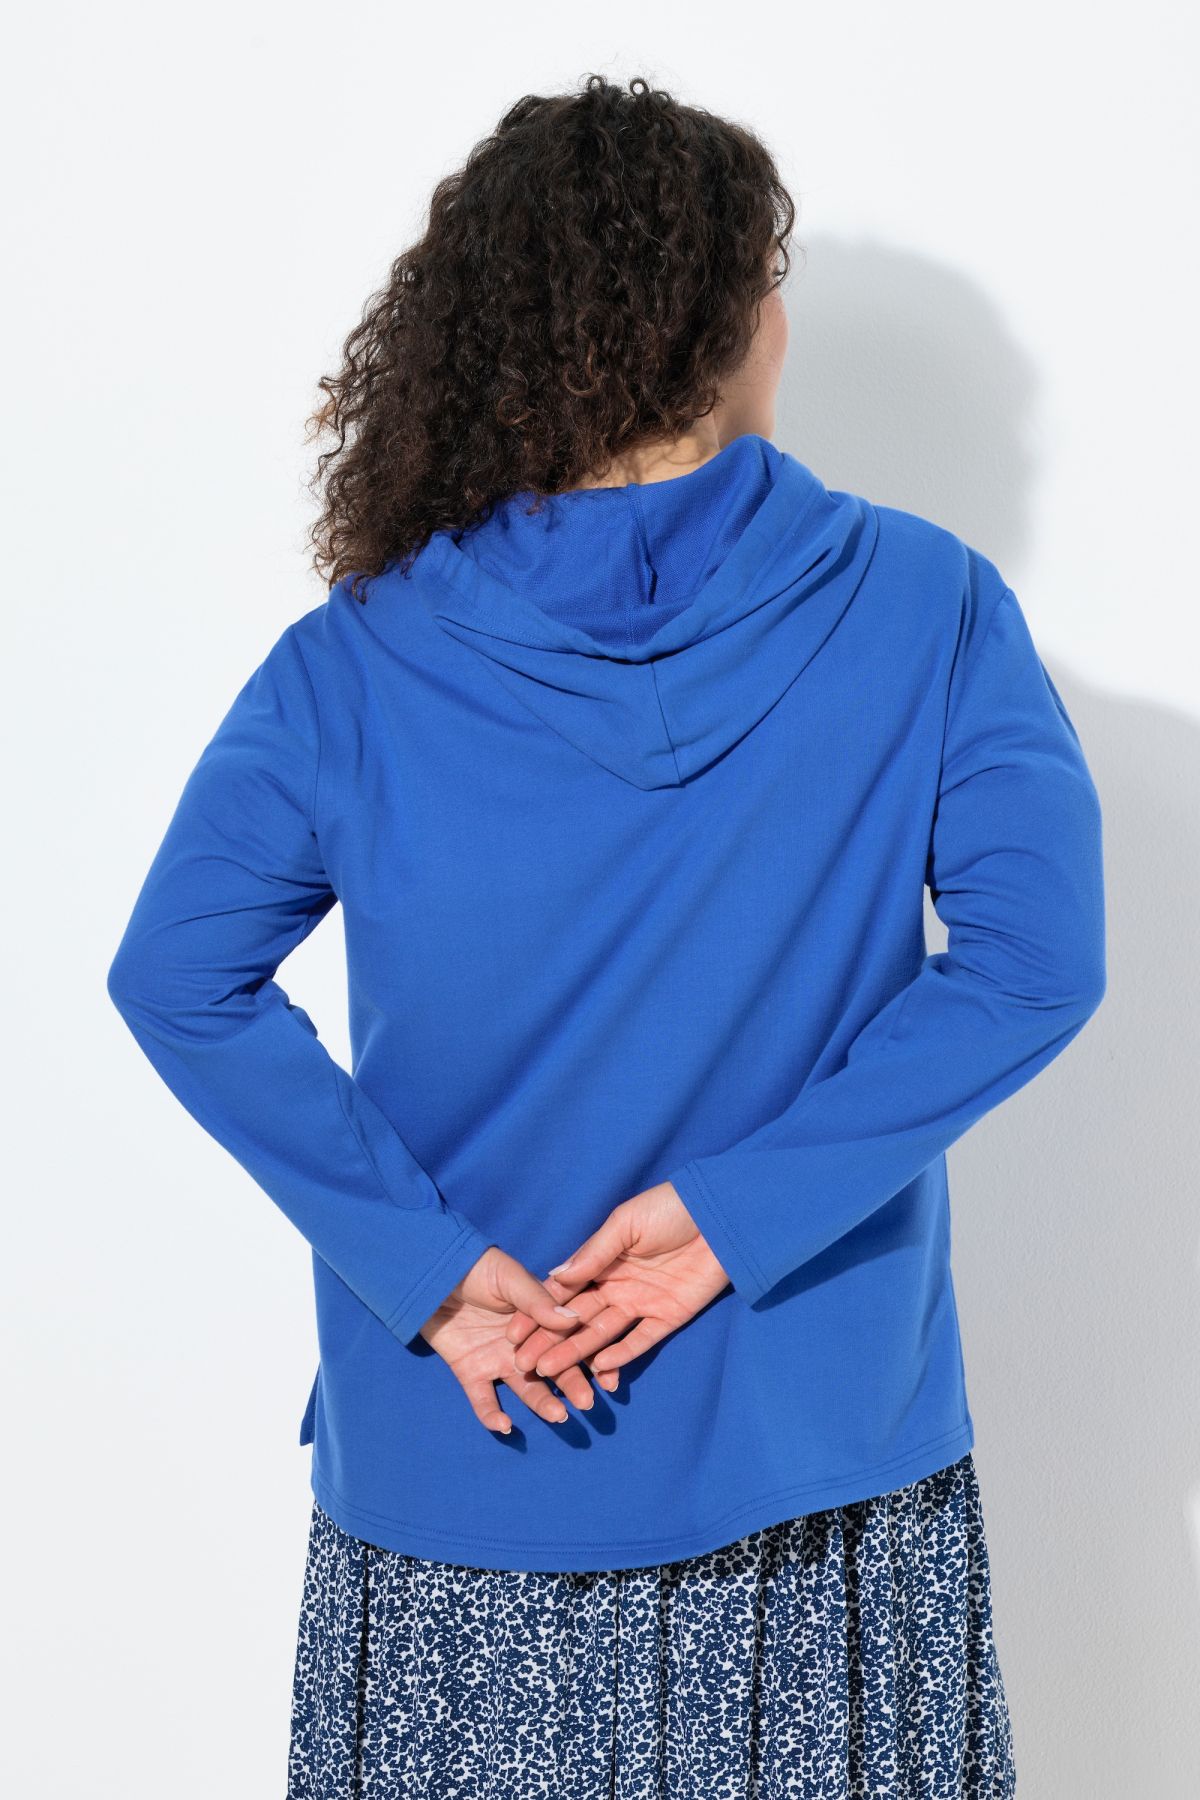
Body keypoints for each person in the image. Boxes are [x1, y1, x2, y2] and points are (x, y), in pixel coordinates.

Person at [106, 71, 1106, 1799]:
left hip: (468, 1454)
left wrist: (430, 1270)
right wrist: (734, 1220)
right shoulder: (928, 605)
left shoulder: (353, 662)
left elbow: (179, 976)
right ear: (732, 329)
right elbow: (1037, 961)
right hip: (817, 1468)